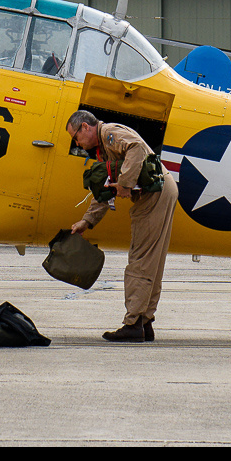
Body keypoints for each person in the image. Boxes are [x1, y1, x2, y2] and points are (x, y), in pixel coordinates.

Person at [67, 110, 178, 343]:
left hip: (153, 196)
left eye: (76, 137)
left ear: (86, 127)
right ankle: (145, 322)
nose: (76, 143)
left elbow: (136, 148)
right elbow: (107, 189)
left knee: (140, 258)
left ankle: (133, 323)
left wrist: (126, 183)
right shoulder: (106, 147)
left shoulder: (108, 134)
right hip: (162, 190)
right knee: (152, 260)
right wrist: (87, 221)